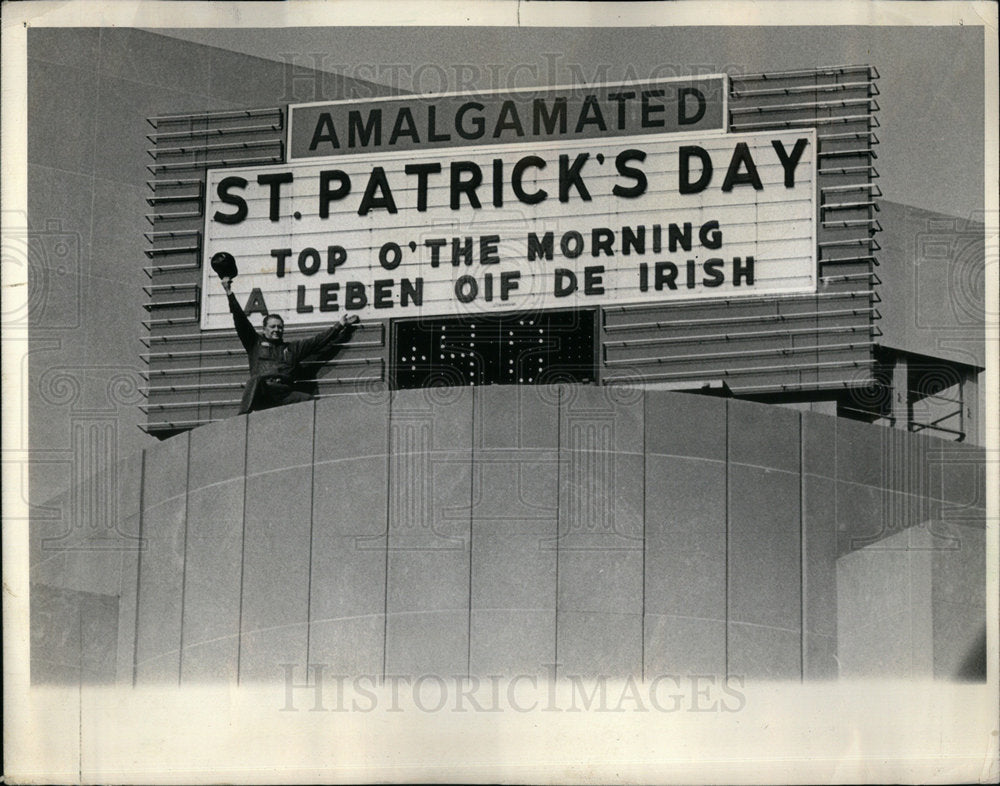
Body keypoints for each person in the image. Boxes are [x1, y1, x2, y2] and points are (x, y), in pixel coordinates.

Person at [220, 276, 360, 414]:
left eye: (280, 327)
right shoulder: (254, 343)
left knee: (309, 401)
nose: (277, 330)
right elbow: (240, 319)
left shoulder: (292, 349)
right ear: (264, 329)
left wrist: (340, 326)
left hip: (284, 393)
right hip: (264, 392)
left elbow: (318, 342)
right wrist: (229, 293)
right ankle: (242, 420)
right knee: (255, 381)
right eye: (273, 327)